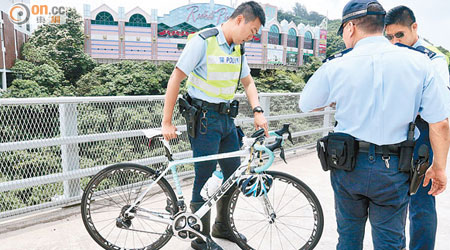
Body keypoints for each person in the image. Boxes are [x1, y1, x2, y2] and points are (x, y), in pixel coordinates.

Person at [298, 0, 450, 249]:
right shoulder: (420, 62)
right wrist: (439, 167)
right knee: (390, 242)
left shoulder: (337, 63)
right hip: (394, 168)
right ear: (381, 27)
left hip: (347, 166)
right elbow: (440, 122)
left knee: (348, 239)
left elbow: (307, 104)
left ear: (350, 27)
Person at [161, 1, 268, 249]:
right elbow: (175, 78)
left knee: (232, 175)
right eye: (252, 31)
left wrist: (257, 110)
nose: (252, 37)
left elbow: (248, 83)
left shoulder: (238, 49)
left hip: (227, 120)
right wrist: (166, 122)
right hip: (204, 120)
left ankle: (223, 227)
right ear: (240, 20)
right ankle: (201, 239)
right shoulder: (203, 41)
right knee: (205, 176)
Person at [385, 6, 450, 250]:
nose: (394, 42)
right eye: (389, 37)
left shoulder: (433, 59)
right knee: (390, 202)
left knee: (421, 204)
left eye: (399, 35)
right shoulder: (388, 56)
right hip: (391, 137)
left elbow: (440, 110)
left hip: (422, 138)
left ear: (414, 27)